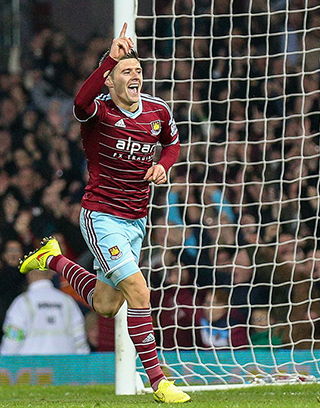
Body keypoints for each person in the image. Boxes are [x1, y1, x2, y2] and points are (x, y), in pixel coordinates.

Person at [18, 23, 190, 403]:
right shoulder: (98, 113)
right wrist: (109, 59)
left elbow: (172, 144)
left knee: (106, 305)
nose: (136, 75)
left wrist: (164, 165)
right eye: (125, 71)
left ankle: (54, 260)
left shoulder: (158, 111)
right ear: (109, 81)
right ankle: (160, 382)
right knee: (139, 290)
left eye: (138, 70)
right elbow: (80, 101)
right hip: (102, 216)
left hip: (136, 221)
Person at [1, 269, 89, 355]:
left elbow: (13, 338)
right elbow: (79, 337)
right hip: (64, 364)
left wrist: (5, 361)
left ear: (29, 274)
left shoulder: (23, 302)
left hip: (32, 365)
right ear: (51, 274)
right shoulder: (67, 301)